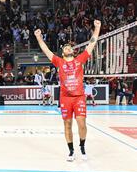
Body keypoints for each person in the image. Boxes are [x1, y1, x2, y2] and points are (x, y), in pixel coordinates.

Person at [34, 19, 101, 162]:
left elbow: (92, 43)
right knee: (67, 124)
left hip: (79, 97)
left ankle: (82, 146)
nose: (68, 48)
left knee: (82, 123)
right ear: (63, 53)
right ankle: (71, 151)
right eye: (65, 48)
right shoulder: (59, 62)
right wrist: (39, 37)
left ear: (73, 51)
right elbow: (46, 50)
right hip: (65, 98)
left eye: (70, 47)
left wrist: (97, 28)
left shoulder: (80, 60)